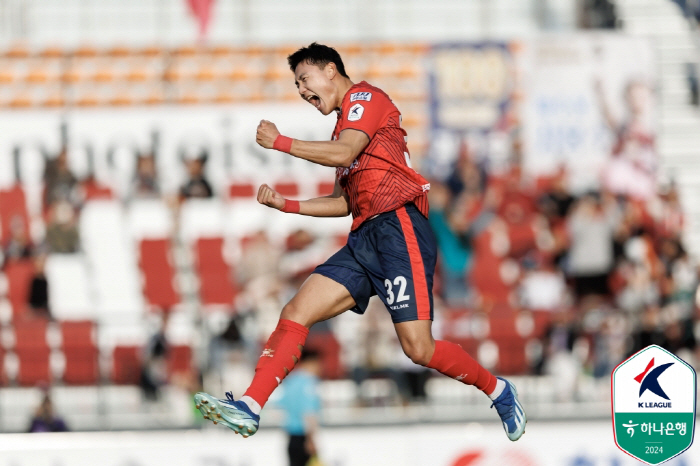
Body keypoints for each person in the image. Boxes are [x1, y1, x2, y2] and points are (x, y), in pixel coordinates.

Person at [194, 43, 526, 442]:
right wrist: (288, 205)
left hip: (399, 228)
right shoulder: (343, 128)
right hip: (366, 236)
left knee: (418, 349)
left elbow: (345, 152)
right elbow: (343, 203)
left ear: (331, 70)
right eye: (297, 84)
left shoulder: (365, 98)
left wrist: (282, 142)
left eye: (304, 79)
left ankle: (499, 390)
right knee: (296, 310)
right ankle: (250, 405)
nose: (301, 90)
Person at [277, 349, 322, 466]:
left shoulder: (291, 380)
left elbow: (281, 404)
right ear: (311, 362)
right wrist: (311, 439)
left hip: (291, 437)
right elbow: (308, 412)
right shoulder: (309, 383)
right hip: (303, 437)